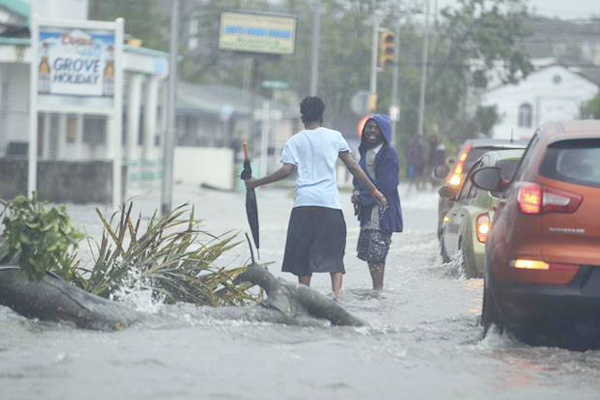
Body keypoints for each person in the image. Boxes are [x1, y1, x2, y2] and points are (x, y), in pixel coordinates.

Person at [244, 97, 387, 299]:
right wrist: (375, 191)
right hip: (330, 206)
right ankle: (338, 296)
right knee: (335, 256)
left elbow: (286, 170)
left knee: (303, 259)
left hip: (304, 206)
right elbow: (353, 166)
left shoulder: (294, 141)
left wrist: (256, 183)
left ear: (303, 117)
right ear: (322, 116)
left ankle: (305, 297)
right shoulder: (335, 137)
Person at [352, 114, 403, 290]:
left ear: (384, 132)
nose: (372, 131)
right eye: (369, 127)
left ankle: (378, 291)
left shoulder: (389, 154)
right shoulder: (365, 152)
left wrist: (364, 196)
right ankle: (376, 290)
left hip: (383, 210)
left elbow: (388, 185)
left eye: (376, 128)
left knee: (378, 253)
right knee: (369, 252)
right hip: (368, 210)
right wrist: (356, 190)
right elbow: (359, 177)